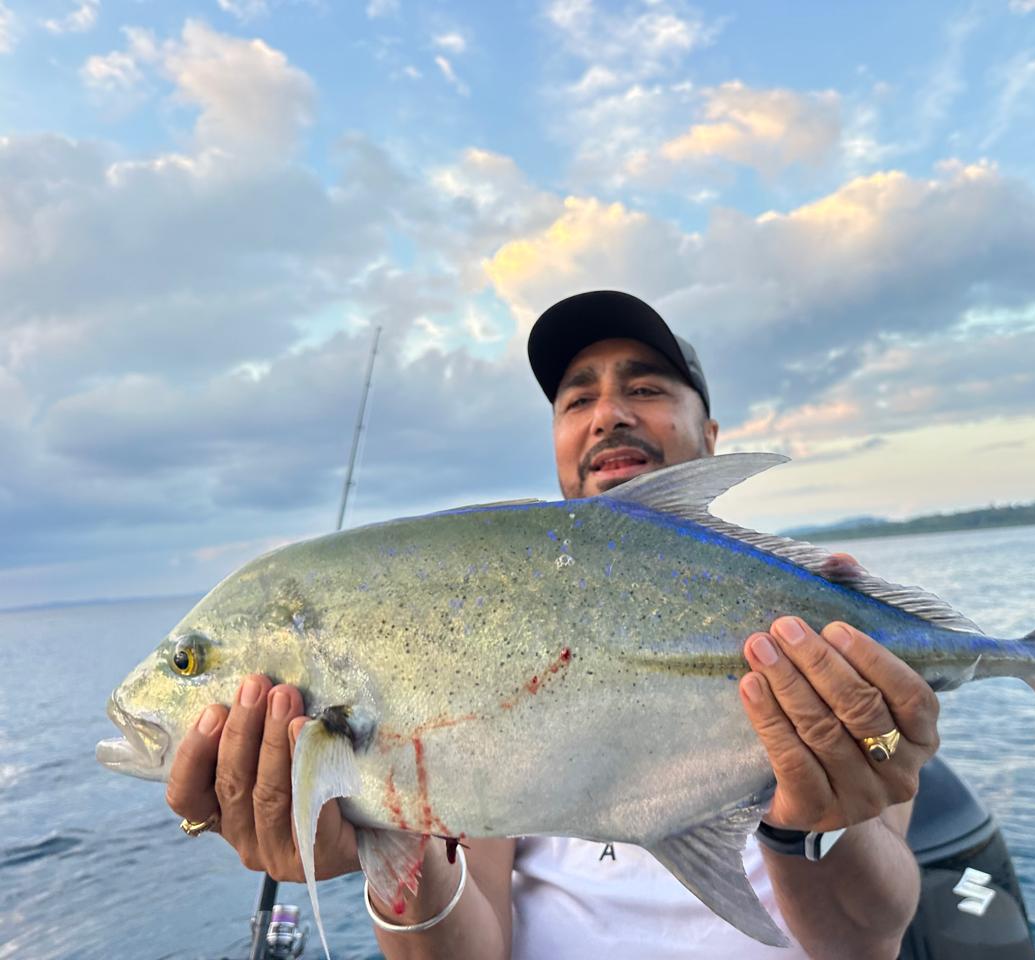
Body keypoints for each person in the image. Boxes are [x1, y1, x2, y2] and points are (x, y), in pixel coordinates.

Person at [165, 290, 940, 959]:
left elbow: (867, 944)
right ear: (559, 446)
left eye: (647, 387)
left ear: (710, 439)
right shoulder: (488, 621)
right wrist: (392, 844)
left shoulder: (815, 620)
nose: (609, 414)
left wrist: (812, 828)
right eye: (577, 400)